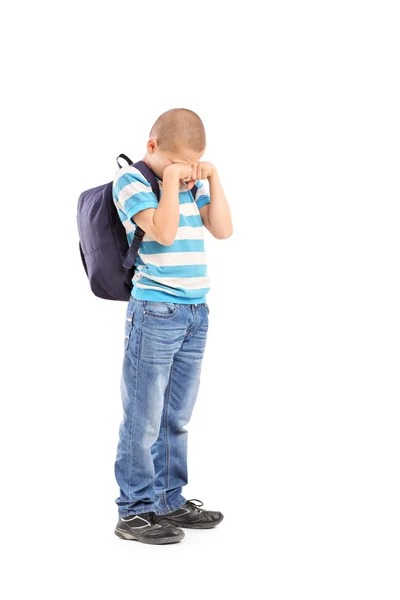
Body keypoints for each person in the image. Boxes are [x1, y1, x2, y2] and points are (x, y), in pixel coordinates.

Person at [112, 108, 233, 545]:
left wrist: (211, 180)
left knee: (175, 416)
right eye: (176, 164)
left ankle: (168, 498)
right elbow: (162, 233)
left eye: (191, 165)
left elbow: (222, 229)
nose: (184, 174)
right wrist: (168, 183)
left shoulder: (191, 183)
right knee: (143, 417)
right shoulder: (132, 182)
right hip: (154, 312)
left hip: (195, 311)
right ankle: (135, 510)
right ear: (152, 148)